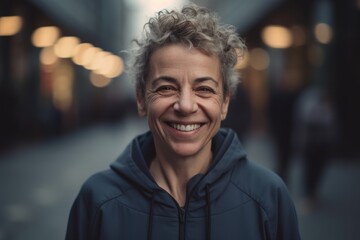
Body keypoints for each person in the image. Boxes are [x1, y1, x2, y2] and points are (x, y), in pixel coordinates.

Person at [65, 3, 301, 240]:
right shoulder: (97, 201)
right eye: (166, 87)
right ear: (141, 99)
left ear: (225, 103)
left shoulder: (268, 197)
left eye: (204, 89)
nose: (186, 106)